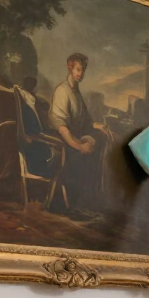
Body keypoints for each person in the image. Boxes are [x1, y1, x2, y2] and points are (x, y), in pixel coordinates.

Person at [48, 53, 108, 211]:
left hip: (76, 138)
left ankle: (89, 199)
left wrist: (97, 127)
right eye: (78, 70)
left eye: (83, 70)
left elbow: (86, 121)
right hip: (64, 142)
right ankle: (74, 204)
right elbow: (61, 126)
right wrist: (79, 146)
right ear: (70, 68)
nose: (80, 74)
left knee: (101, 138)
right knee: (84, 154)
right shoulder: (62, 91)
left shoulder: (76, 92)